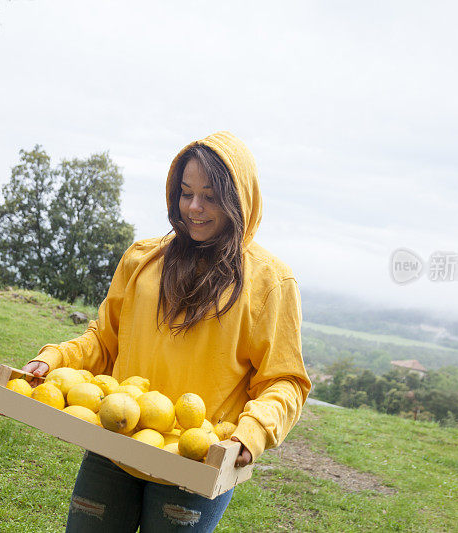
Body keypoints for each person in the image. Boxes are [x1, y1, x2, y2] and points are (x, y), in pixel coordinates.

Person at [22, 131, 311, 532]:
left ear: (239, 200)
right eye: (186, 192)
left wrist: (252, 433)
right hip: (114, 444)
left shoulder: (269, 282)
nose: (194, 207)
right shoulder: (143, 261)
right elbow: (104, 342)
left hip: (193, 462)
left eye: (210, 196)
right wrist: (52, 358)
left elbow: (284, 380)